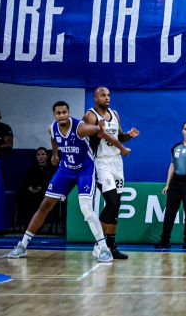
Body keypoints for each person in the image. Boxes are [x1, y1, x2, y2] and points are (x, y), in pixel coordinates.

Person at [8, 101, 118, 263]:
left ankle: (103, 248)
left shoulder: (80, 128)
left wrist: (99, 127)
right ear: (54, 115)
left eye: (64, 112)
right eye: (58, 113)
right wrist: (54, 154)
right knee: (45, 205)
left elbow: (95, 129)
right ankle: (22, 245)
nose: (62, 115)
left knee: (86, 208)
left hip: (84, 170)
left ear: (68, 113)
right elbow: (54, 139)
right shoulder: (52, 128)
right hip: (65, 169)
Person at [84, 87, 138, 260]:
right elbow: (97, 135)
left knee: (116, 205)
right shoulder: (91, 115)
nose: (107, 98)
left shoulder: (114, 114)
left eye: (108, 95)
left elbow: (118, 137)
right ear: (95, 98)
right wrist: (121, 147)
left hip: (117, 163)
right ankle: (99, 244)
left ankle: (111, 247)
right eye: (103, 95)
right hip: (101, 162)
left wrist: (128, 136)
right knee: (112, 201)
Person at [155, 121, 186, 250]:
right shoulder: (175, 147)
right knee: (169, 212)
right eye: (185, 129)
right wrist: (167, 185)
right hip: (175, 182)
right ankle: (165, 240)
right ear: (182, 131)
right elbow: (172, 166)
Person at [16, 147, 56, 230]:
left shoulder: (51, 168)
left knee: (41, 198)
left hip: (44, 192)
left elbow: (52, 182)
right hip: (31, 191)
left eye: (43, 154)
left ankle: (39, 224)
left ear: (47, 156)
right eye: (38, 155)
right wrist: (29, 187)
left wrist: (41, 188)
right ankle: (28, 224)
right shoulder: (31, 168)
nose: (40, 156)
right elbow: (26, 181)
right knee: (25, 197)